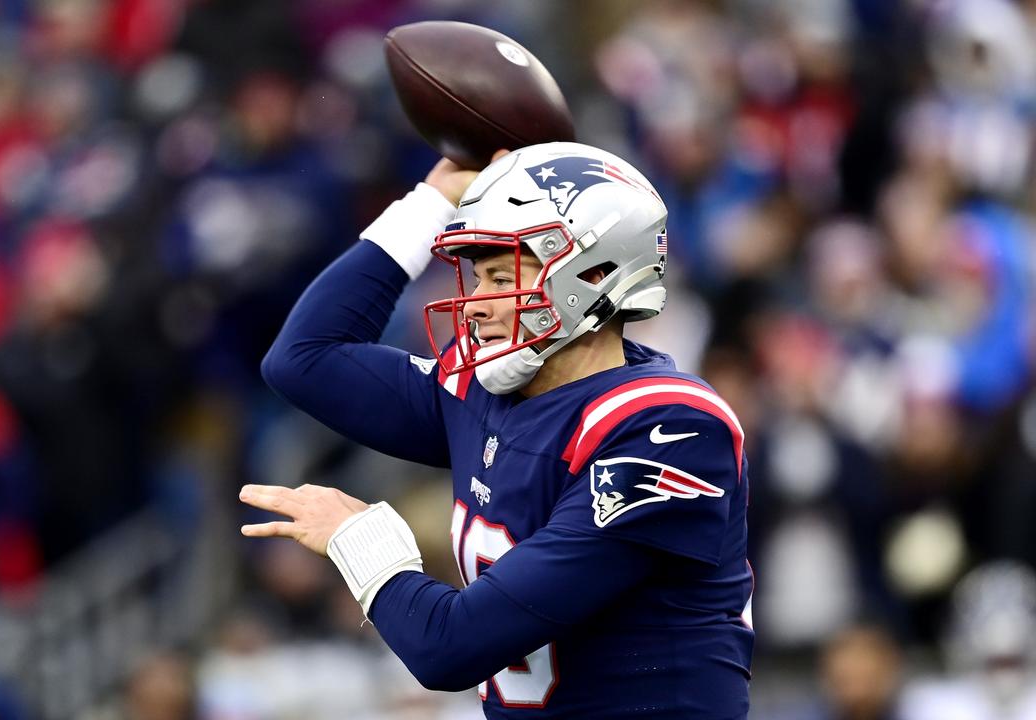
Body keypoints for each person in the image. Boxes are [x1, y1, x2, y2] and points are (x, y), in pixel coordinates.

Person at [245, 142, 753, 718]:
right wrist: (431, 200)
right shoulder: (486, 390)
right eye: (477, 277)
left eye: (501, 275)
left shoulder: (668, 428)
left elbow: (450, 648)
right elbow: (302, 358)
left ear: (593, 271)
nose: (476, 305)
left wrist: (360, 541)